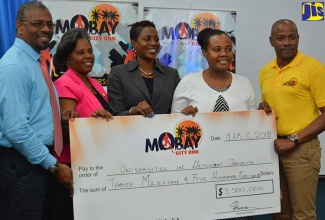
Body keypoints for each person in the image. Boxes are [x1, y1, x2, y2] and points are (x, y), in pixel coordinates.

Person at [171, 28, 256, 220]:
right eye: (217, 49)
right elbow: (174, 128)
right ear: (205, 52)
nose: (224, 54)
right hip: (199, 170)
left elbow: (254, 129)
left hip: (237, 170)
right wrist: (184, 118)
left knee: (237, 215)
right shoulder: (188, 83)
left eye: (228, 49)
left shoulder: (244, 84)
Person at [0, 2, 72, 220]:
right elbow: (16, 129)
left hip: (38, 160)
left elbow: (35, 111)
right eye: (38, 23)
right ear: (19, 26)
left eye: (49, 24)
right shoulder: (15, 66)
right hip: (22, 165)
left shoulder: (36, 61)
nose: (46, 29)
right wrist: (54, 166)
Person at [258, 19, 325, 220]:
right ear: (271, 41)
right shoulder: (265, 71)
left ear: (298, 39)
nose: (287, 42)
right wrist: (262, 109)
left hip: (301, 149)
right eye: (281, 38)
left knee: (303, 215)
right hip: (273, 149)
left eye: (292, 37)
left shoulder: (313, 68)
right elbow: (273, 108)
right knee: (279, 214)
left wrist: (293, 140)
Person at [53, 28, 113, 219]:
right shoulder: (65, 83)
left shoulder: (92, 82)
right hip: (74, 167)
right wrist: (92, 120)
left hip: (96, 163)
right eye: (80, 52)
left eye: (89, 51)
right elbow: (67, 127)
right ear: (67, 59)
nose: (88, 56)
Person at [107, 20, 180, 117]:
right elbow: (116, 113)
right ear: (134, 43)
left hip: (164, 131)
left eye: (156, 39)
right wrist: (132, 111)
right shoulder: (118, 73)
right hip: (131, 131)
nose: (153, 43)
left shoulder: (172, 74)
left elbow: (177, 111)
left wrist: (186, 111)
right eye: (147, 39)